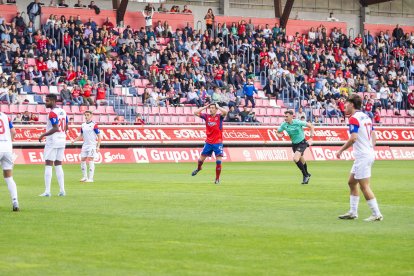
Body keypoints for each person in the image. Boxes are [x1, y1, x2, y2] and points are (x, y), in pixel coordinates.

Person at [336, 94, 383, 221]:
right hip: (366, 154)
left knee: (364, 186)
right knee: (351, 182)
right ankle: (353, 212)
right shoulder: (366, 117)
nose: (344, 107)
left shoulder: (353, 118)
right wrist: (370, 147)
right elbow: (374, 135)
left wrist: (340, 151)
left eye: (346, 104)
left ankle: (376, 213)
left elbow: (353, 138)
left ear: (351, 104)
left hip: (363, 156)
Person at [38, 94, 68, 197]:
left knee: (48, 163)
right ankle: (62, 190)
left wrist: (43, 135)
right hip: (62, 140)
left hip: (53, 141)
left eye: (47, 101)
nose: (45, 103)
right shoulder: (63, 111)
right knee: (58, 164)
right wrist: (62, 135)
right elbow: (66, 126)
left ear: (53, 101)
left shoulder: (52, 113)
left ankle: (47, 191)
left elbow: (56, 128)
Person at [192, 103, 228, 184]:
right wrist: (205, 106)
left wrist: (218, 106)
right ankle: (198, 168)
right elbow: (195, 112)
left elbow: (225, 112)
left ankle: (217, 179)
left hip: (218, 142)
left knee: (218, 161)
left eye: (213, 108)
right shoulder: (206, 116)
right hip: (208, 142)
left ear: (216, 109)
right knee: (200, 160)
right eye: (210, 108)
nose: (211, 109)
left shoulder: (219, 117)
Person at [276, 110, 314, 184]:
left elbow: (311, 126)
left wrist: (311, 137)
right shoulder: (284, 125)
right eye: (285, 116)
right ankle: (307, 173)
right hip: (294, 144)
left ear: (291, 116)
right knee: (302, 160)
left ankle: (305, 175)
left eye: (287, 116)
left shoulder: (297, 122)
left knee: (295, 158)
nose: (285, 118)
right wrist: (279, 135)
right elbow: (277, 132)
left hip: (302, 142)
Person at [71, 111, 101, 183]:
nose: (86, 116)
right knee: (83, 159)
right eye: (85, 115)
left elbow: (99, 136)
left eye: (88, 115)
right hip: (85, 145)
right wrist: (74, 141)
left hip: (92, 145)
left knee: (90, 159)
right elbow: (81, 136)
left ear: (91, 116)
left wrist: (98, 146)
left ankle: (90, 178)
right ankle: (84, 177)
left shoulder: (94, 125)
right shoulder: (83, 125)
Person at [0, 112, 19, 211]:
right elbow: (14, 132)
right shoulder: (5, 116)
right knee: (9, 177)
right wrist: (8, 143)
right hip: (7, 149)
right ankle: (15, 201)